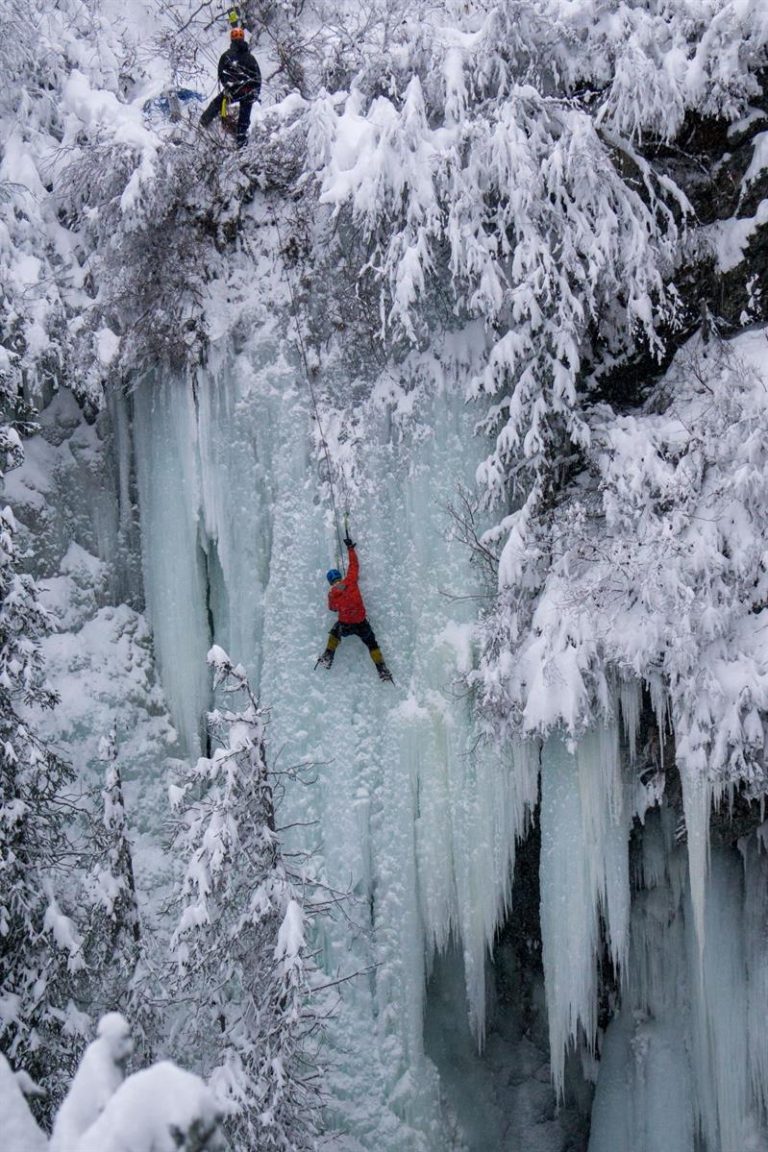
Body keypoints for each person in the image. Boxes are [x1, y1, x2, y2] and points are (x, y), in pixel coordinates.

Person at [316, 536, 393, 682]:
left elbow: (332, 608)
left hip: (345, 624)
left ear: (330, 582)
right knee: (372, 643)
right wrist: (350, 548)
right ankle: (382, 669)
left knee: (334, 633)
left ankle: (327, 656)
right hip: (361, 622)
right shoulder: (350, 581)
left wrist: (337, 599)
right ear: (339, 577)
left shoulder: (332, 594)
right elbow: (354, 565)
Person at [199, 27, 261, 149]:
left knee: (218, 103)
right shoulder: (250, 58)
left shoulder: (227, 56)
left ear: (231, 39)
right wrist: (255, 93)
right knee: (244, 118)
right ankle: (241, 142)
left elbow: (221, 74)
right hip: (248, 92)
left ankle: (204, 122)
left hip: (233, 91)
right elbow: (257, 78)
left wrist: (228, 86)